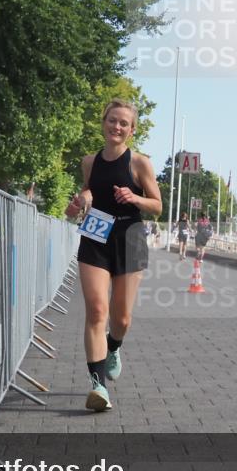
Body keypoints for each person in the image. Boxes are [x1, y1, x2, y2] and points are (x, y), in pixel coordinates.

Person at [64, 99, 161, 411]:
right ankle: (98, 387)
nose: (116, 127)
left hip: (129, 237)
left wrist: (135, 197)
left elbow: (158, 206)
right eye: (112, 121)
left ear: (131, 131)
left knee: (121, 318)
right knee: (96, 311)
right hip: (95, 234)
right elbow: (90, 190)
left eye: (124, 123)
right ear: (103, 123)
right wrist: (81, 201)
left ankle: (114, 346)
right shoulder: (90, 161)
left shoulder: (140, 163)